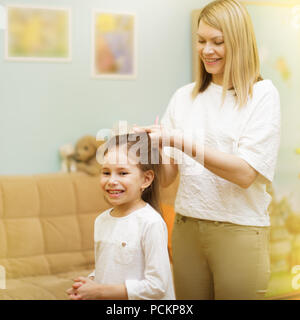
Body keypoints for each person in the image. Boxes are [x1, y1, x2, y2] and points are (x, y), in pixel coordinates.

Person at [134, 0, 281, 300]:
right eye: (201, 41)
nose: (206, 50)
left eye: (218, 42)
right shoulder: (183, 97)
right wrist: (152, 146)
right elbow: (168, 178)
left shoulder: (262, 95)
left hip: (239, 231)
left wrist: (178, 140)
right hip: (187, 229)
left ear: (238, 43)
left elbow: (244, 173)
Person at [66, 133, 175, 300]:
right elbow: (108, 268)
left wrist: (100, 291)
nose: (112, 180)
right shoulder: (101, 221)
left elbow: (157, 286)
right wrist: (90, 282)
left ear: (146, 179)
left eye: (122, 173)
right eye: (106, 172)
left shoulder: (150, 222)